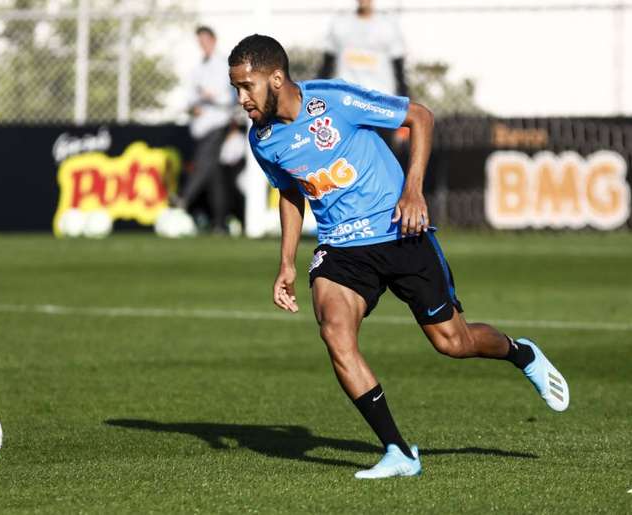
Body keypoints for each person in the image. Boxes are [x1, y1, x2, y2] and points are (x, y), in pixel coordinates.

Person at [228, 34, 569, 479]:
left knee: (453, 342)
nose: (241, 98)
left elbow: (420, 117)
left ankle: (520, 354)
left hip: (399, 231)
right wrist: (287, 262)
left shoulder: (333, 99)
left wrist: (413, 191)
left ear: (276, 79)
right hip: (341, 248)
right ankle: (397, 451)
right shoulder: (263, 139)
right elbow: (290, 192)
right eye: (235, 88)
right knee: (334, 332)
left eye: (247, 86)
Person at [175, 26, 236, 233]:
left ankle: (184, 197)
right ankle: (219, 222)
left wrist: (211, 97)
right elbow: (192, 96)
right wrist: (196, 105)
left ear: (213, 40)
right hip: (202, 125)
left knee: (202, 163)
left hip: (218, 122)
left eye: (205, 39)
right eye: (199, 40)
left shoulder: (223, 65)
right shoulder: (198, 68)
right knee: (213, 174)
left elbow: (229, 96)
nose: (202, 44)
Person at [318, 0, 408, 98]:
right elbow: (327, 63)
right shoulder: (341, 24)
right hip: (347, 95)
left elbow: (398, 65)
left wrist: (404, 94)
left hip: (380, 96)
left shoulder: (387, 26)